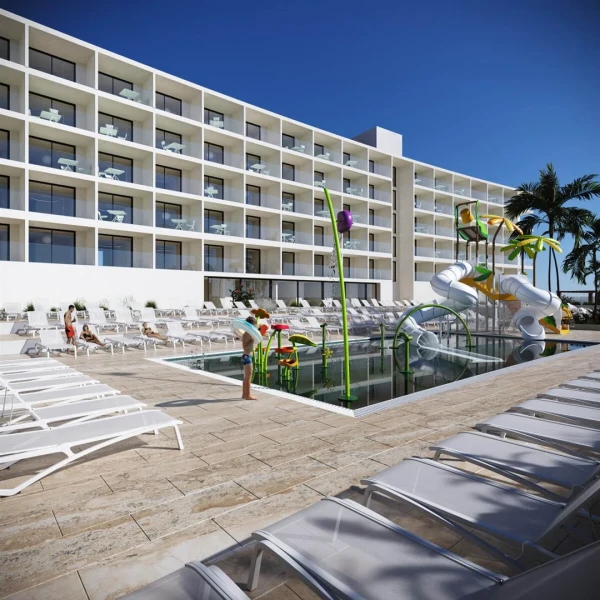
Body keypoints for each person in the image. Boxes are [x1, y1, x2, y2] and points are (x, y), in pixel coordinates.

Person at [241, 316, 258, 400]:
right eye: (255, 325)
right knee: (248, 377)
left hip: (247, 356)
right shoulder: (246, 335)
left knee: (246, 376)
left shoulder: (248, 334)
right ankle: (248, 395)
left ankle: (244, 394)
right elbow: (245, 347)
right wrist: (251, 341)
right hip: (247, 356)